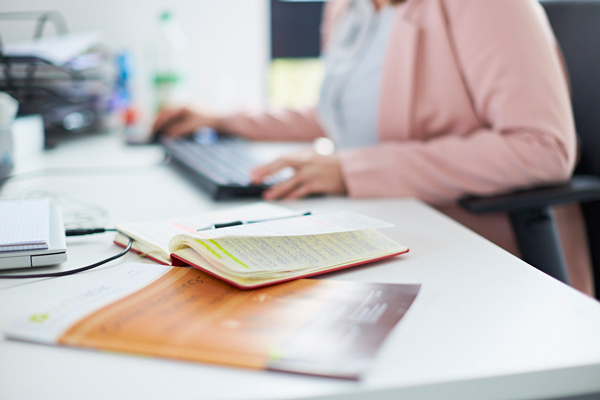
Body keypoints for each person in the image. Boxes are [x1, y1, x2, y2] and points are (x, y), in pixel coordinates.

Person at [152, 0, 593, 296]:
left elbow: (542, 149)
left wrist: (351, 169)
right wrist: (225, 120)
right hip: (382, 229)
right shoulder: (349, 6)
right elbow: (343, 112)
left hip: (482, 253)